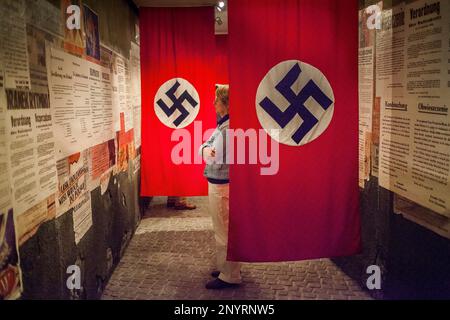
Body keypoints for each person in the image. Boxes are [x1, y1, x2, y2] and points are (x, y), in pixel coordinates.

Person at [199, 85, 241, 290]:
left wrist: (205, 150)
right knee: (222, 228)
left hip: (222, 185)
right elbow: (205, 147)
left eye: (216, 100)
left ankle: (230, 275)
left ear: (225, 104)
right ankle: (226, 268)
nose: (213, 103)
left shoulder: (228, 129)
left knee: (223, 230)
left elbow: (212, 157)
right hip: (221, 183)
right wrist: (205, 149)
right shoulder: (223, 125)